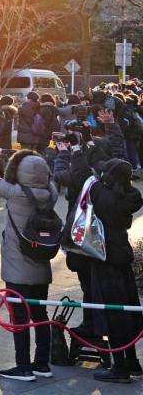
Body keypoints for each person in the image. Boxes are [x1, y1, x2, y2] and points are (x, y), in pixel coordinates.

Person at [0, 147, 57, 382]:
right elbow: (51, 178)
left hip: (16, 267)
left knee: (19, 318)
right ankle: (42, 364)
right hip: (41, 265)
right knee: (40, 315)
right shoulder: (51, 192)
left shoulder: (14, 193)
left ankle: (23, 366)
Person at [83, 158, 143, 383]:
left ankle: (119, 368)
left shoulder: (102, 194)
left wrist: (80, 150)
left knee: (112, 314)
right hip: (122, 259)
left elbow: (86, 176)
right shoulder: (129, 196)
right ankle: (133, 361)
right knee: (127, 310)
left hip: (104, 259)